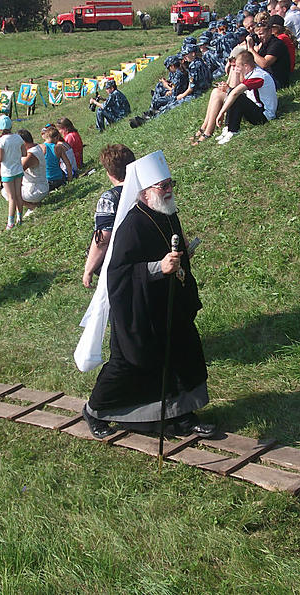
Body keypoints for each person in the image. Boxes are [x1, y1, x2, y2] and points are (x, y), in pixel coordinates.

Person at [75, 150, 215, 439]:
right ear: (144, 192)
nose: (168, 191)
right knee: (128, 365)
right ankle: (94, 410)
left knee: (181, 356)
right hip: (139, 311)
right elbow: (119, 274)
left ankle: (183, 415)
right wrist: (157, 267)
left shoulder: (168, 213)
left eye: (170, 184)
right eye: (162, 186)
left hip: (169, 304)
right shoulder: (132, 225)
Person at [82, 144, 136, 288]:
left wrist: (88, 270)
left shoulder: (110, 198)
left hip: (125, 264)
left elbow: (103, 238)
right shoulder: (149, 190)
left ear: (109, 173)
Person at [215, 50, 278, 145]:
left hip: (264, 115)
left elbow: (236, 93)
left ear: (246, 66)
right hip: (257, 108)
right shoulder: (252, 73)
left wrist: (221, 112)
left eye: (238, 66)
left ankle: (233, 130)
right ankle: (228, 127)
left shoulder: (258, 76)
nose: (236, 69)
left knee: (236, 95)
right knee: (233, 93)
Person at [0, 114, 26, 229]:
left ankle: (10, 223)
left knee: (11, 197)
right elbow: (24, 153)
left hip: (7, 172)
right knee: (18, 195)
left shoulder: (1, 141)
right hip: (18, 169)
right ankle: (20, 218)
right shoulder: (18, 138)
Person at [18, 129, 49, 212]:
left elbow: (18, 171)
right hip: (42, 186)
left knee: (7, 191)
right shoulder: (37, 147)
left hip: (35, 190)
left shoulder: (30, 155)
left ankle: (31, 206)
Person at [42, 125, 75, 191]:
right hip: (59, 179)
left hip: (47, 182)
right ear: (56, 137)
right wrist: (70, 179)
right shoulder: (59, 147)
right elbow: (68, 164)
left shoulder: (40, 147)